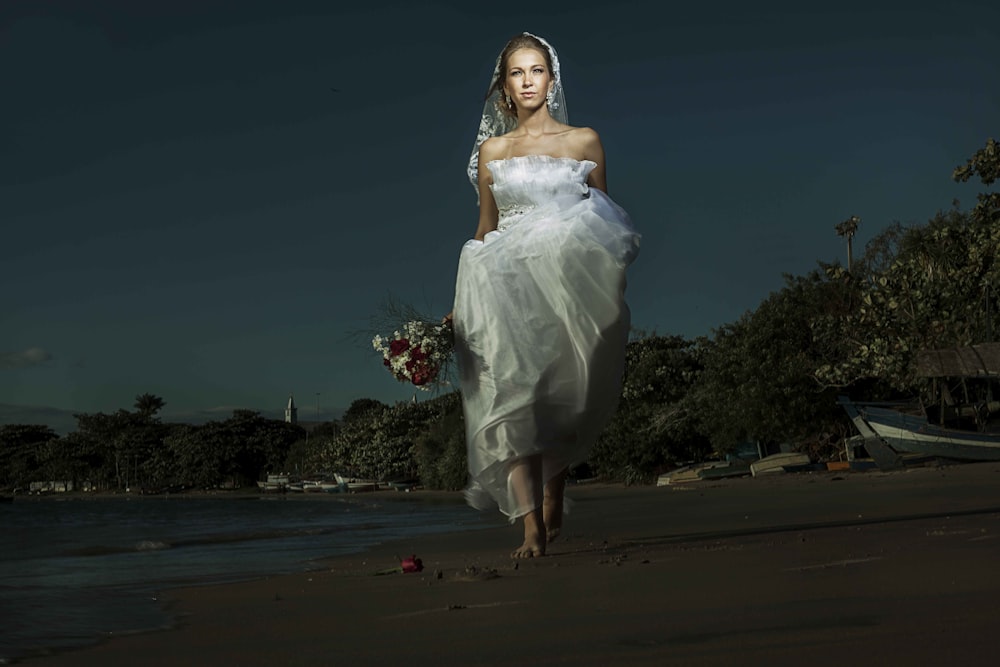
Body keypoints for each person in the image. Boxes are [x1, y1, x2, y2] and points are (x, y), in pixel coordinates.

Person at [447, 32, 640, 558]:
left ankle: (556, 487)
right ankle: (531, 527)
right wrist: (459, 301)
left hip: (566, 285)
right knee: (510, 397)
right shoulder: (494, 150)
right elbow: (485, 227)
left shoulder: (584, 142)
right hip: (503, 285)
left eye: (537, 70)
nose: (528, 80)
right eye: (517, 73)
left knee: (562, 395)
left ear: (551, 80)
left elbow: (605, 216)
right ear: (504, 87)